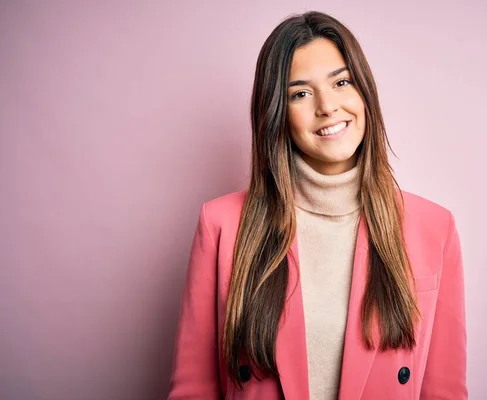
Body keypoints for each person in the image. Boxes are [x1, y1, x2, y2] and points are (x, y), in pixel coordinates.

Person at [167, 10, 467, 400]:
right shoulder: (222, 224)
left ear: (364, 92)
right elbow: (194, 390)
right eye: (301, 93)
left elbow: (445, 392)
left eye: (341, 81)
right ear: (277, 113)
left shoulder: (434, 227)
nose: (328, 106)